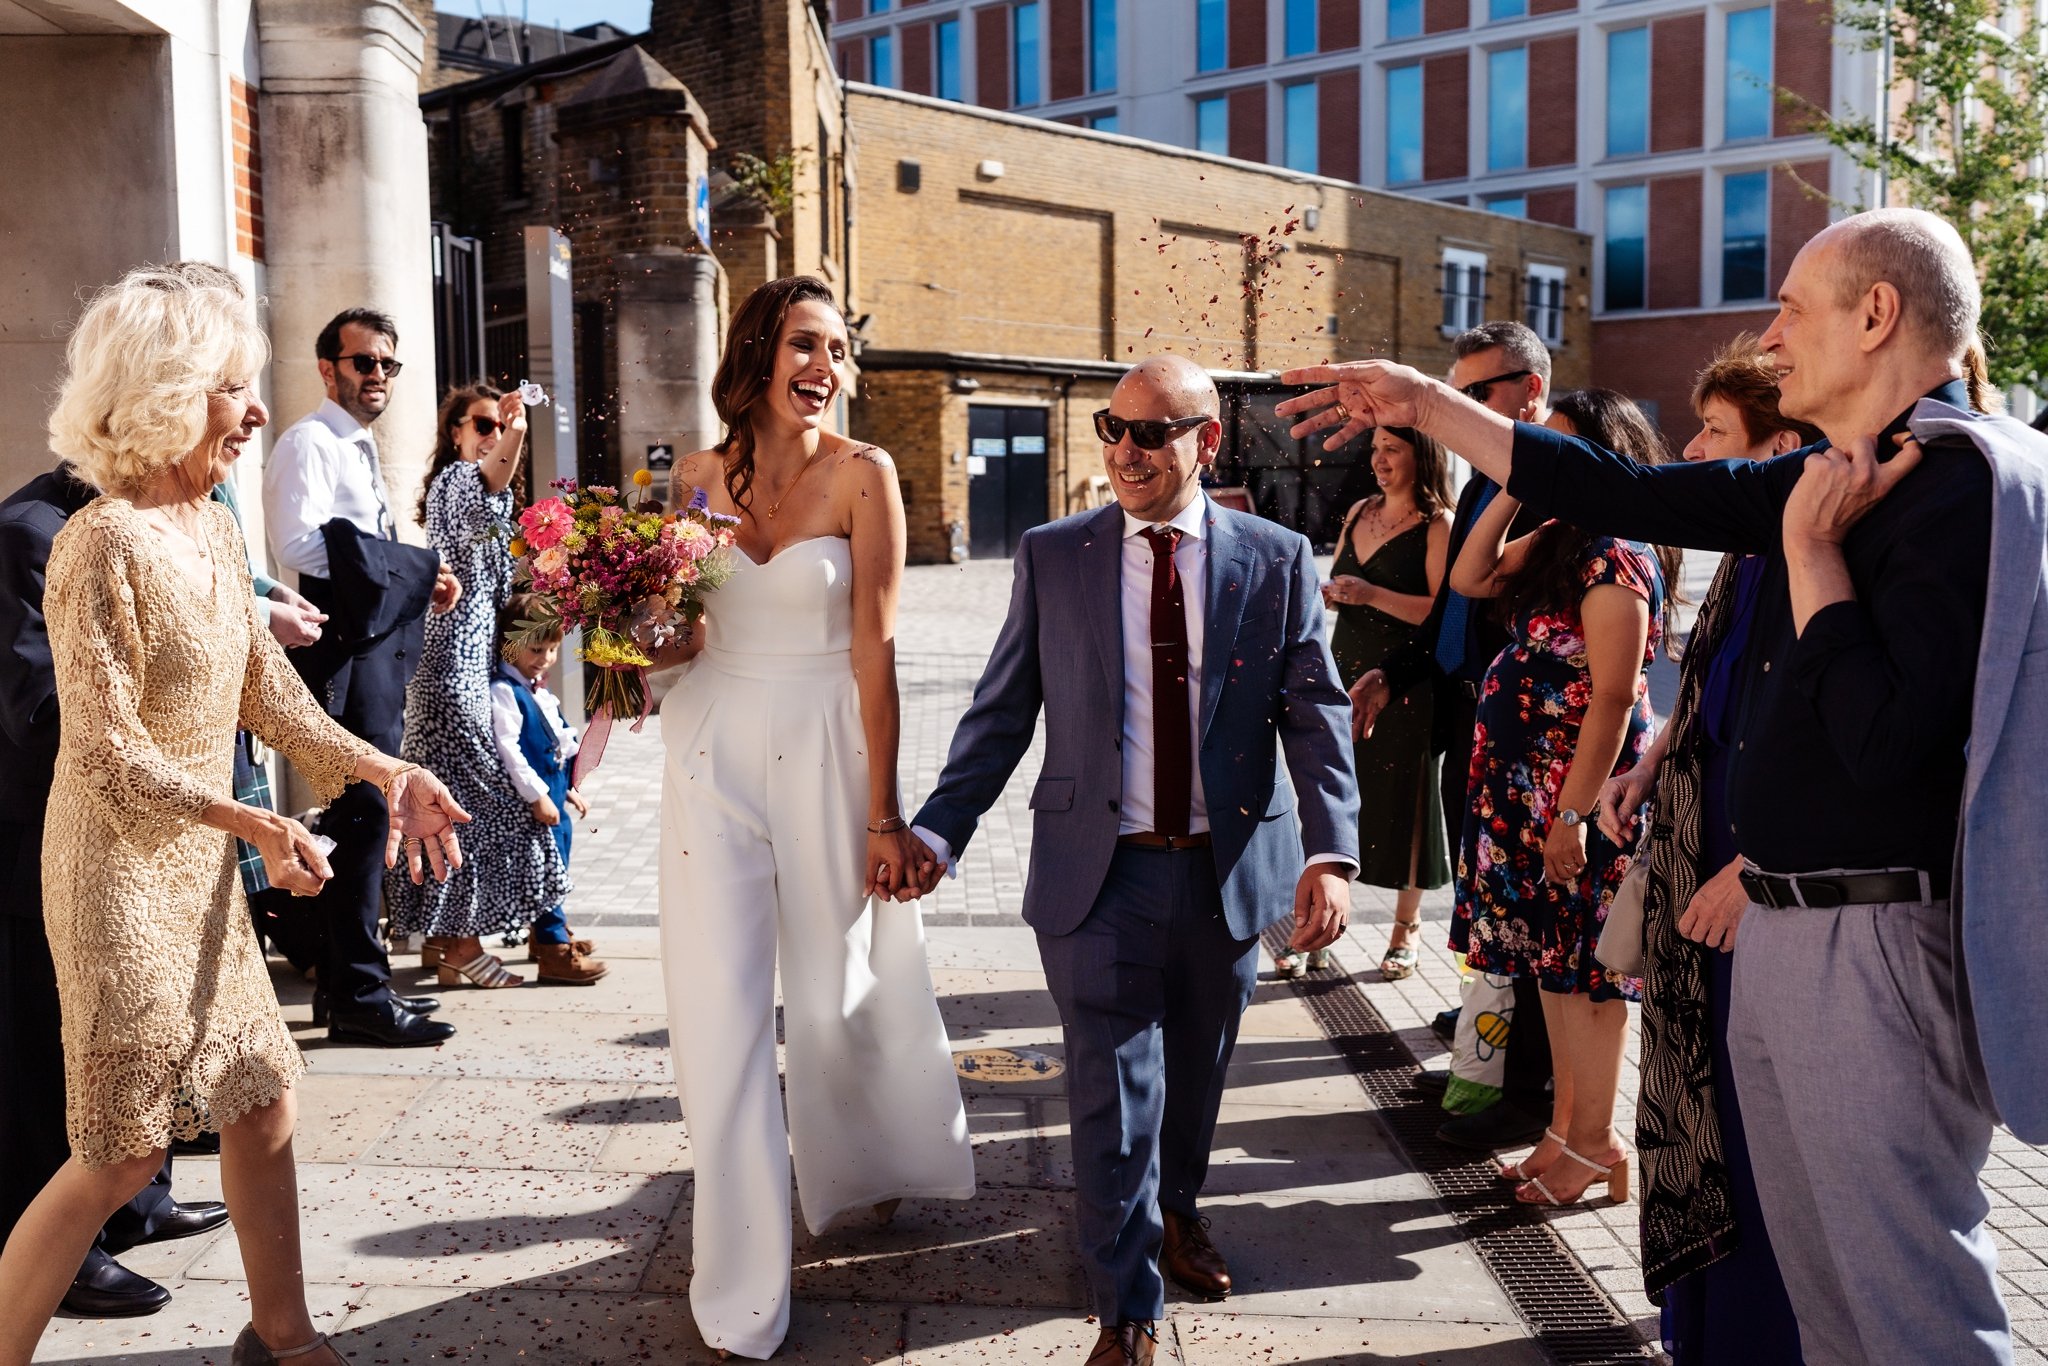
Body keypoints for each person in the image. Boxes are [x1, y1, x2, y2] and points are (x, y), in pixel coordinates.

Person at [1277, 206, 2048, 1363]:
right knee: (1828, 1298)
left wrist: (1807, 553)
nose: (1771, 335)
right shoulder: (1834, 469)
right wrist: (1426, 407)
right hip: (1786, 935)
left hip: (1873, 940)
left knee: (1908, 1301)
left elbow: (1886, 741)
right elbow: (1625, 490)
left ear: (1875, 314)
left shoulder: (1958, 482)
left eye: (1793, 306)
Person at [0, 262, 470, 1366]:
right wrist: (253, 823)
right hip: (113, 872)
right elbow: (103, 749)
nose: (255, 410)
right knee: (119, 1148)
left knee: (261, 1098)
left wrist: (385, 771)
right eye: (231, 386)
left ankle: (282, 1334)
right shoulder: (94, 544)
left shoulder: (211, 525)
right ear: (164, 390)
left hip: (200, 860)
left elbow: (269, 690)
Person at [908, 354, 1360, 1366]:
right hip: (1095, 872)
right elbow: (998, 712)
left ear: (1204, 442)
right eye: (1110, 428)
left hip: (1225, 870)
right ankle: (1127, 1307)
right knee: (1109, 1093)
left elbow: (1315, 713)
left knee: (1193, 1080)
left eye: (1149, 432)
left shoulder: (1274, 559)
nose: (1123, 450)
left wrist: (1330, 852)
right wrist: (940, 829)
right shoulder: (1052, 552)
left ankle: (1180, 1207)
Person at [646, 275, 974, 1360]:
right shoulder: (693, 477)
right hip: (711, 749)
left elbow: (874, 654)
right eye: (802, 343)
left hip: (829, 748)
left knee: (833, 997)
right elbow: (677, 638)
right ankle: (739, 1286)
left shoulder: (864, 475)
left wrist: (886, 816)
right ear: (756, 353)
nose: (823, 366)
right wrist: (619, 632)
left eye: (837, 349)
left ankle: (867, 1163)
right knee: (717, 1013)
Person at [1595, 337, 1817, 1362]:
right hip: (1700, 864)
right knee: (1693, 1111)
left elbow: (1829, 740)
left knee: (1743, 1136)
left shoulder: (1810, 556)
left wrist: (1758, 867)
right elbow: (1705, 702)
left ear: (1774, 448)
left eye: (1715, 434)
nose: (1689, 447)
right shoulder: (1746, 552)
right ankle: (1696, 1332)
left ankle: (1746, 1340)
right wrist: (1648, 762)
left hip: (1748, 888)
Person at [0, 461, 232, 1320]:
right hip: (47, 839)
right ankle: (56, 1254)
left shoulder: (148, 519)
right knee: (52, 1052)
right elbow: (37, 709)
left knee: (147, 1035)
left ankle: (136, 1203)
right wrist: (163, 730)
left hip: (148, 828)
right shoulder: (30, 532)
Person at [1447, 388, 1668, 1207]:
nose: (1551, 462)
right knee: (1551, 970)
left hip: (1575, 800)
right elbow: (1470, 574)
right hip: (1524, 798)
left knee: (1588, 976)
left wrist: (1571, 816)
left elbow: (1612, 697)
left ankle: (1596, 1140)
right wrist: (1516, 483)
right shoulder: (1558, 538)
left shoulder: (1615, 554)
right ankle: (1565, 1131)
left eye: (1565, 450)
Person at [1350, 321, 1555, 1150]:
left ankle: (1523, 1088)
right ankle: (1487, 1051)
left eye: (1480, 394)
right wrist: (1394, 674)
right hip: (1465, 716)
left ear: (1531, 391)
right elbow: (1453, 619)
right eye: (1454, 392)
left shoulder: (1551, 487)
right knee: (1488, 907)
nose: (1459, 409)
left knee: (1532, 920)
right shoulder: (1483, 481)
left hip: (1527, 742)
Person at [264, 308, 460, 1047]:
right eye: (362, 363)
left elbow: (362, 544)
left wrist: (416, 578)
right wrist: (409, 568)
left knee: (364, 813)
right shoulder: (308, 442)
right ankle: (354, 989)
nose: (376, 376)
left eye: (387, 364)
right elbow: (301, 545)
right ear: (327, 369)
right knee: (364, 811)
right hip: (336, 647)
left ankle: (342, 978)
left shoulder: (357, 445)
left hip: (368, 642)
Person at [384, 383, 576, 990]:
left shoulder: (484, 502)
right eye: (483, 424)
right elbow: (494, 477)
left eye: (499, 425)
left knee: (447, 808)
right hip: (451, 675)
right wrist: (518, 428)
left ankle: (445, 942)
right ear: (457, 433)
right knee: (481, 806)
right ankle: (460, 944)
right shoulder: (460, 482)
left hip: (463, 669)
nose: (493, 434)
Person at [1295, 425, 1451, 981]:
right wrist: (1330, 595)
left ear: (1421, 454)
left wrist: (1372, 594)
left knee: (1405, 803)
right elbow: (1341, 582)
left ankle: (1405, 933)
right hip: (1344, 671)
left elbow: (1442, 616)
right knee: (1330, 798)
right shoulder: (1361, 508)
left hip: (1408, 684)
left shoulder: (1438, 525)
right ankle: (1317, 925)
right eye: (1377, 449)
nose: (1380, 460)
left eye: (1393, 449)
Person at [491, 592, 603, 985]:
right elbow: (510, 752)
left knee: (560, 862)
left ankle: (546, 936)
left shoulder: (540, 689)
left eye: (553, 649)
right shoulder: (505, 692)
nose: (546, 659)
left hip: (555, 791)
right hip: (535, 799)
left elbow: (561, 740)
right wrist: (537, 795)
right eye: (537, 649)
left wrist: (568, 786)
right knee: (549, 870)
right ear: (510, 645)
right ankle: (554, 950)